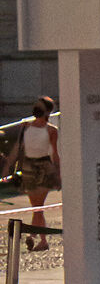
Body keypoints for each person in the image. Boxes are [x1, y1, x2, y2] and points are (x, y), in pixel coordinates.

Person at [2, 95, 59, 250]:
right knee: (36, 206)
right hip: (28, 167)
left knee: (38, 206)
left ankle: (36, 237)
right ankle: (40, 239)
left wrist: (58, 173)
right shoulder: (25, 127)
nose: (36, 108)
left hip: (44, 167)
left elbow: (55, 153)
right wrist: (8, 166)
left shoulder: (52, 130)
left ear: (46, 111)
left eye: (40, 106)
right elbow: (18, 149)